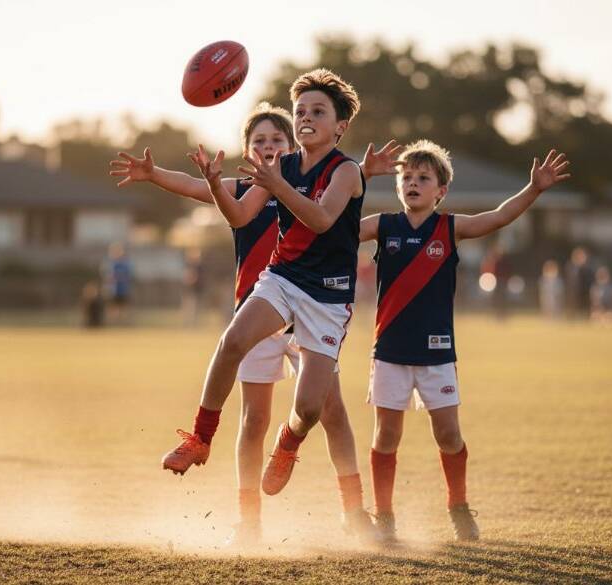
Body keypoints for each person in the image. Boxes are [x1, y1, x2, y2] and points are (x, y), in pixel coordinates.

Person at [110, 99, 400, 544]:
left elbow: (330, 203)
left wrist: (363, 171)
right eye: (259, 140)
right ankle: (243, 513)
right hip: (267, 300)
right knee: (252, 417)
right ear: (248, 150)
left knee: (325, 411)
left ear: (289, 144)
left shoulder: (305, 175)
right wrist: (177, 178)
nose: (269, 145)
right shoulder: (255, 185)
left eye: (275, 139)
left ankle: (350, 509)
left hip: (320, 301)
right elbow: (202, 191)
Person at [359, 140, 570, 543]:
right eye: (406, 177)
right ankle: (383, 516)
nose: (413, 183)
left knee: (449, 435)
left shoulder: (450, 228)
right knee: (386, 436)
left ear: (441, 190)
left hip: (437, 353)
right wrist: (359, 177)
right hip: (389, 353)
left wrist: (534, 189)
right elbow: (332, 231)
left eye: (424, 178)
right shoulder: (381, 226)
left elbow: (499, 216)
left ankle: (458, 506)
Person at [100, 242, 132, 323]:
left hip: (123, 289)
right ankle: (113, 321)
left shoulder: (125, 264)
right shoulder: (110, 264)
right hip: (112, 289)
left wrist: (119, 277)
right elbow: (107, 276)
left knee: (123, 305)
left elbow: (127, 275)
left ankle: (123, 321)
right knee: (112, 305)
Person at [565, 246, 594, 319]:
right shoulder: (570, 266)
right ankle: (571, 316)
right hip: (573, 290)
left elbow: (589, 279)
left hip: (584, 290)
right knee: (572, 305)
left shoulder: (587, 268)